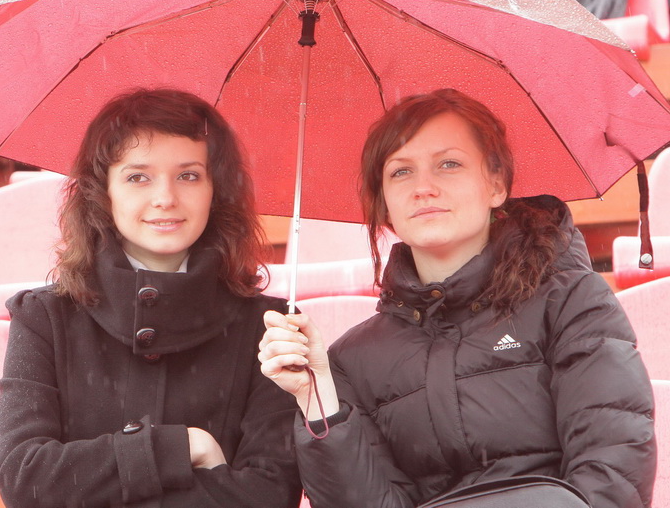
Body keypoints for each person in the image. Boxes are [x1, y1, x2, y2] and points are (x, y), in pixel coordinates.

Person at [259, 88, 656, 508]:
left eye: (449, 164)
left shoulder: (571, 302)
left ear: (496, 185)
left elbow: (614, 471)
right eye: (400, 172)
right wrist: (318, 399)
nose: (423, 188)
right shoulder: (350, 360)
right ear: (385, 206)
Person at [0, 88, 301, 508]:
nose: (165, 199)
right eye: (138, 177)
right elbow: (24, 478)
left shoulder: (270, 327)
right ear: (102, 192)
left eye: (188, 175)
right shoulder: (44, 317)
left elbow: (270, 494)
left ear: (216, 189)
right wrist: (183, 447)